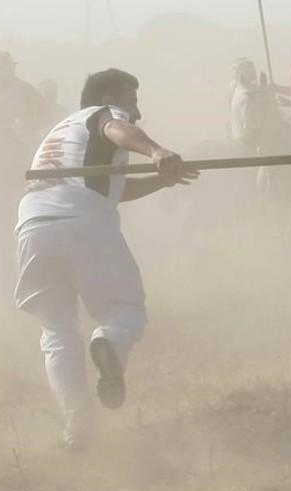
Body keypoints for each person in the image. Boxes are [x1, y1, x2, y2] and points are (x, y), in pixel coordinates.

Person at [15, 68, 197, 450]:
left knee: (57, 331)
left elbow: (112, 188)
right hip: (82, 221)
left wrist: (160, 180)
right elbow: (116, 130)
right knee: (125, 309)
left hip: (33, 224)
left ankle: (78, 429)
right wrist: (156, 151)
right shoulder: (103, 115)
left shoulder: (63, 132)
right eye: (133, 100)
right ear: (112, 97)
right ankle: (109, 343)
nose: (138, 112)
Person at [0, 52, 51, 284]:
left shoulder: (26, 91)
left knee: (26, 214)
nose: (1, 71)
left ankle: (35, 265)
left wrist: (25, 125)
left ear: (12, 68)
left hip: (20, 164)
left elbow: (44, 116)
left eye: (5, 67)